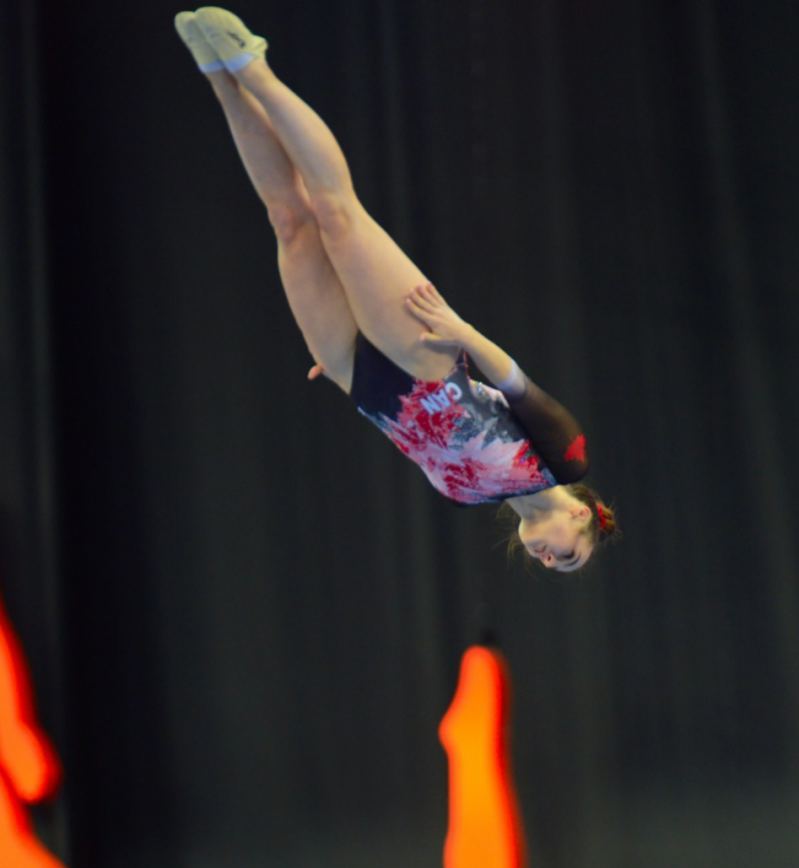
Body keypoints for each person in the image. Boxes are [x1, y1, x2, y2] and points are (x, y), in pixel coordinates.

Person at [174, 7, 618, 572]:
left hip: (358, 380)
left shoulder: (469, 496)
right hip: (427, 357)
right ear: (582, 518)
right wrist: (461, 332)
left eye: (552, 567)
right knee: (335, 213)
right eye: (570, 558)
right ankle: (255, 70)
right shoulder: (566, 462)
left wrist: (339, 374)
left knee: (288, 221)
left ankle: (217, 72)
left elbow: (406, 438)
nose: (551, 561)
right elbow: (519, 388)